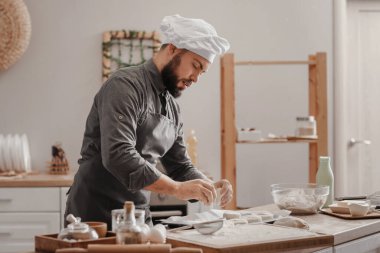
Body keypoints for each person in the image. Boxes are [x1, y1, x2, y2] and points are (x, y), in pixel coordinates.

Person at [65, 14, 233, 229]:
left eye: (202, 72)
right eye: (195, 65)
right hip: (94, 213)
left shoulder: (173, 108)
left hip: (136, 215)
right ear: (172, 49)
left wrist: (209, 187)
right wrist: (175, 188)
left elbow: (181, 166)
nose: (196, 78)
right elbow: (118, 154)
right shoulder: (124, 85)